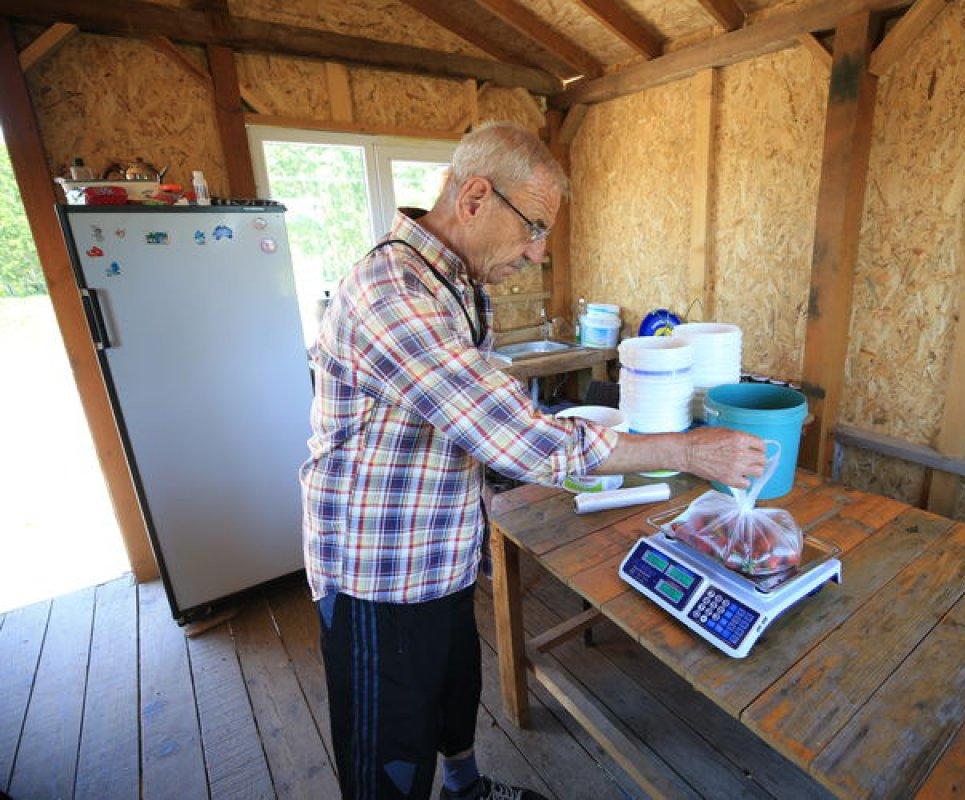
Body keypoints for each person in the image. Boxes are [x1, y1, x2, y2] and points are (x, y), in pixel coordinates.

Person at [300, 121, 765, 800]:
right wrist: (690, 450)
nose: (540, 252)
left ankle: (465, 791)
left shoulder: (456, 281)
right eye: (534, 227)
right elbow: (521, 439)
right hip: (381, 572)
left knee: (455, 693)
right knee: (390, 753)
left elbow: (469, 419)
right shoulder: (393, 294)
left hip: (441, 551)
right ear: (476, 197)